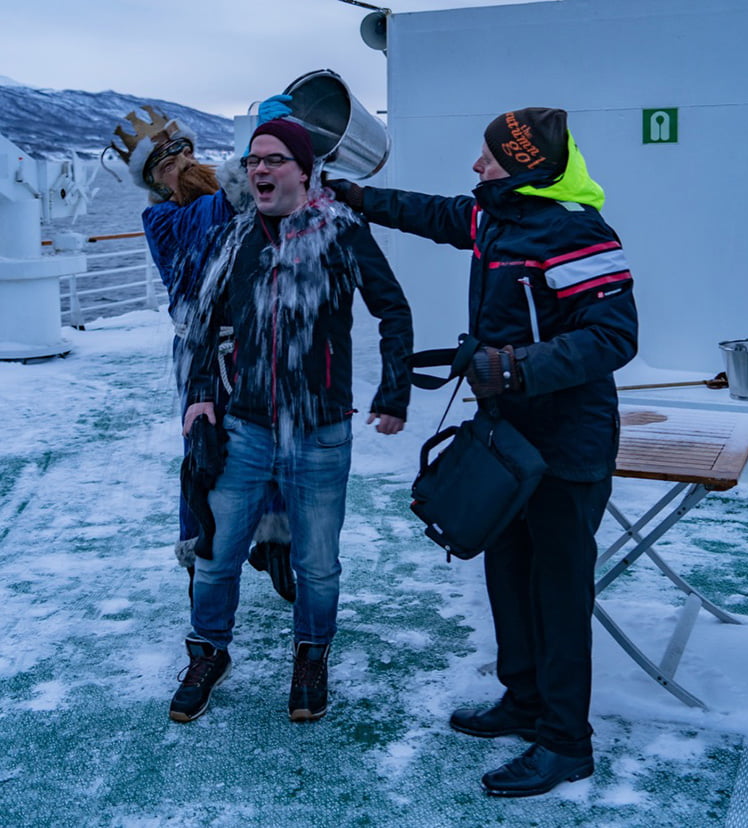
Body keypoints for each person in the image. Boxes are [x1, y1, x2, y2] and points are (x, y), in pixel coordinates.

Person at [327, 107, 638, 797]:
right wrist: (355, 197)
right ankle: (523, 699)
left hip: (566, 445)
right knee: (507, 573)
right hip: (510, 439)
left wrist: (519, 367)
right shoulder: (493, 218)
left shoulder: (574, 231)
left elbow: (613, 336)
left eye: (490, 158)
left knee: (557, 593)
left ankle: (565, 743)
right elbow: (437, 215)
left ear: (525, 165)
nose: (476, 167)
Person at [170, 117, 413, 724]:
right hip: (246, 426)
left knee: (317, 562)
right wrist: (201, 396)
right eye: (253, 160)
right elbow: (201, 323)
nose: (259, 170)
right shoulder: (234, 238)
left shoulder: (342, 231)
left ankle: (310, 654)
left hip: (321, 429)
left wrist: (394, 391)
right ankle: (207, 652)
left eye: (274, 160)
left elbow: (394, 309)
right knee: (218, 551)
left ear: (304, 170)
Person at [108, 100, 295, 604]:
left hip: (210, 350)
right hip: (229, 348)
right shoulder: (178, 218)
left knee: (212, 450)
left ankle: (236, 551)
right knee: (249, 440)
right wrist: (271, 134)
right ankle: (248, 547)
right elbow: (241, 190)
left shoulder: (167, 216)